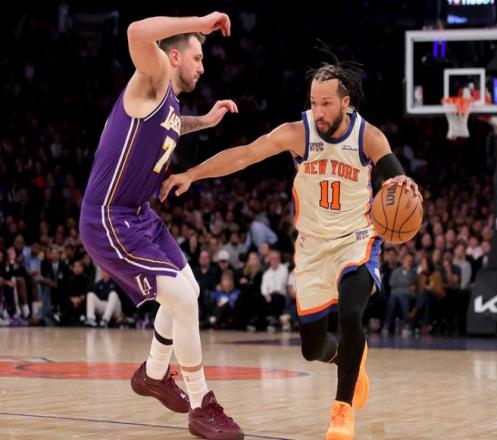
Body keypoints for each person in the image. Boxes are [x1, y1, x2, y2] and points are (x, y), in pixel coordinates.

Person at [162, 57, 422, 440]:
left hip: (356, 240)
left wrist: (405, 185)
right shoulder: (298, 133)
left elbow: (396, 178)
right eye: (314, 102)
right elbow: (245, 154)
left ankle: (342, 410)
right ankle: (351, 357)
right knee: (312, 348)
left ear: (346, 102)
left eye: (326, 103)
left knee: (351, 314)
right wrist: (191, 174)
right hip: (312, 247)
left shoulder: (369, 137)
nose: (318, 111)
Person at [79, 12, 243, 440]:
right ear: (173, 57)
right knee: (183, 301)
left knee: (190, 289)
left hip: (140, 215)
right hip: (109, 217)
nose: (202, 66)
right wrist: (201, 21)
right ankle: (202, 405)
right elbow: (136, 32)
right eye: (197, 57)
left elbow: (171, 125)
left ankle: (153, 373)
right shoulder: (151, 77)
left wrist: (204, 122)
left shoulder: (168, 102)